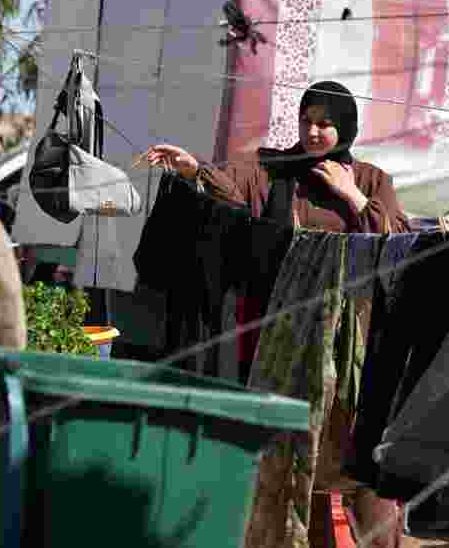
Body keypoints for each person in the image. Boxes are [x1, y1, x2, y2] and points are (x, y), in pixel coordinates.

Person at [144, 80, 410, 548]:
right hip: (283, 336)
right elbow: (231, 191)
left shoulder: (369, 179)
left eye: (325, 123)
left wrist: (351, 195)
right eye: (306, 121)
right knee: (287, 451)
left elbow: (398, 244)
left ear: (345, 127)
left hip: (354, 343)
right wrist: (193, 171)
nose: (312, 132)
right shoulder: (275, 171)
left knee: (356, 452)